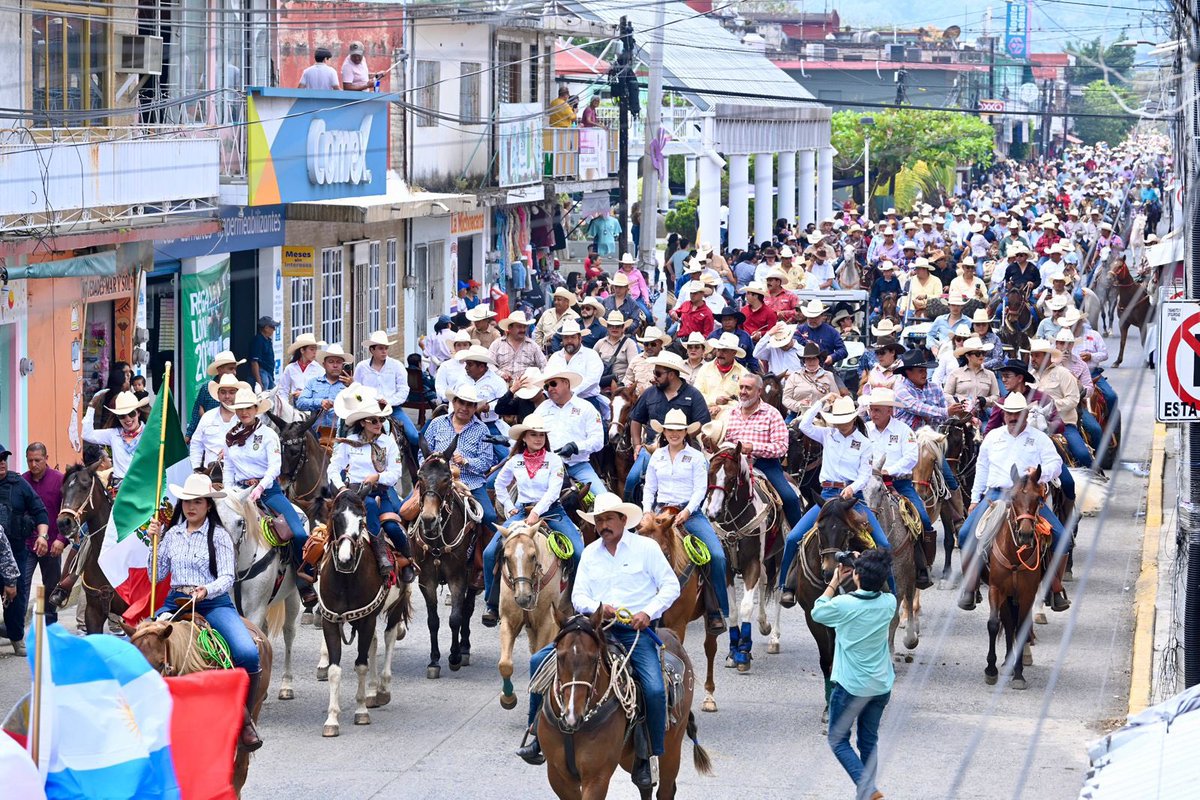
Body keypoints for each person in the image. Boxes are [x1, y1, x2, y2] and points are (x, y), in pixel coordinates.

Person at [517, 493, 678, 788]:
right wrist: (597, 608)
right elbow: (579, 597)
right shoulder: (590, 553)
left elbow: (671, 586)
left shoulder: (646, 549)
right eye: (599, 520)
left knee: (654, 689)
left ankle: (648, 755)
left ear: (623, 520)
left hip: (634, 632)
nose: (604, 525)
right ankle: (535, 736)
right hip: (595, 629)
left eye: (608, 519)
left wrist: (648, 612)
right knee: (539, 661)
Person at [146, 473, 263, 751]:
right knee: (141, 644)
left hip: (212, 603)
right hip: (176, 602)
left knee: (247, 652)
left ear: (208, 505)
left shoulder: (219, 535)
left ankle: (245, 719)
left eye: (197, 501)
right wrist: (154, 542)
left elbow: (227, 577)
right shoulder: (172, 534)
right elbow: (156, 574)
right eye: (187, 501)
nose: (191, 507)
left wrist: (205, 591)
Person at [959, 392, 1070, 612]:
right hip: (996, 495)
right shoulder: (992, 437)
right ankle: (970, 587)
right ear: (1003, 414)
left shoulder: (1039, 438)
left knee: (1061, 537)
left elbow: (1056, 464)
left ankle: (1054, 587)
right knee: (965, 535)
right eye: (1009, 413)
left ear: (1026, 414)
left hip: (1027, 497)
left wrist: (1040, 472)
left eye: (1017, 413)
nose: (1012, 417)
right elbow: (981, 469)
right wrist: (974, 499)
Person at [778, 395, 892, 605]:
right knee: (794, 537)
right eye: (837, 421)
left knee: (883, 543)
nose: (840, 425)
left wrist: (851, 488)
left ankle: (891, 592)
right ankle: (785, 585)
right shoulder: (828, 434)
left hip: (853, 499)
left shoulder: (864, 443)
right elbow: (804, 424)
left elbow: (865, 474)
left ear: (853, 419)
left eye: (844, 420)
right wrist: (821, 402)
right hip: (828, 496)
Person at [811, 548, 896, 800]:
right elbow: (887, 588)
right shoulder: (889, 604)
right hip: (880, 685)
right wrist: (869, 568)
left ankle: (868, 789)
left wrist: (835, 582)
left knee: (837, 740)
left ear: (856, 576)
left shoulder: (844, 604)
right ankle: (867, 794)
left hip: (850, 687)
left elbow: (818, 610)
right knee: (868, 741)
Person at [484, 415, 584, 625]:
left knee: (578, 551)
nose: (538, 439)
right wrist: (510, 508)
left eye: (541, 435)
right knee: (490, 552)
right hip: (522, 511)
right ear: (524, 438)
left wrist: (537, 512)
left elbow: (554, 490)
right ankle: (492, 603)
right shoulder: (515, 461)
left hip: (552, 511)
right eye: (533, 435)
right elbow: (500, 485)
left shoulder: (554, 460)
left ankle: (577, 602)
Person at [223, 387, 314, 606]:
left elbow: (275, 467)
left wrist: (260, 488)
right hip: (238, 492)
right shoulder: (231, 437)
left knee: (299, 533)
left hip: (268, 491)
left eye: (248, 408)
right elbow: (228, 468)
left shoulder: (269, 435)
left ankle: (304, 581)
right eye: (240, 409)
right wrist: (229, 493)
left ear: (256, 409)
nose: (244, 412)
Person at [643, 410, 729, 628]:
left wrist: (688, 511)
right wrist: (646, 511)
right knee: (633, 547)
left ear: (685, 432)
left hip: (689, 514)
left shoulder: (697, 457)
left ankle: (715, 608)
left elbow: (701, 489)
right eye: (670, 429)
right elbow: (650, 488)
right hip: (660, 514)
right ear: (664, 432)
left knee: (716, 555)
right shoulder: (657, 456)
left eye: (678, 430)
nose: (674, 434)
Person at [327, 387, 413, 583]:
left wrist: (377, 478)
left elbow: (394, 474)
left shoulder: (388, 443)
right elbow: (333, 469)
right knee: (327, 527)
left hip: (380, 493)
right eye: (373, 420)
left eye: (381, 420)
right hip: (351, 493)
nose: (379, 424)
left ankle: (409, 558)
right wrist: (341, 488)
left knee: (392, 526)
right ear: (362, 422)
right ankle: (314, 567)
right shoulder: (348, 443)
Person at [860, 389, 934, 588]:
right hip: (866, 484)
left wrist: (888, 471)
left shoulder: (904, 431)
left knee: (923, 518)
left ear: (889, 411)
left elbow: (911, 458)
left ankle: (922, 566)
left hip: (899, 484)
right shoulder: (864, 429)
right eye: (871, 409)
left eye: (877, 410)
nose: (872, 414)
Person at [623, 353, 711, 501]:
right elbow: (636, 419)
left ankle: (701, 512)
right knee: (631, 480)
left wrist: (680, 437)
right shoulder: (650, 393)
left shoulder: (693, 394)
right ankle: (632, 520)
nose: (654, 377)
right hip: (652, 447)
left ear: (671, 375)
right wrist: (637, 445)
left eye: (658, 373)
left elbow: (702, 422)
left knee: (706, 477)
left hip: (685, 447)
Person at [721, 374, 804, 528]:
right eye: (741, 387)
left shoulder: (772, 413)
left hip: (765, 465)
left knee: (789, 498)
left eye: (748, 388)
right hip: (733, 464)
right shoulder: (730, 413)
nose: (743, 391)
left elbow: (781, 447)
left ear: (759, 391)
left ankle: (797, 537)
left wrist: (753, 447)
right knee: (711, 491)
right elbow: (721, 440)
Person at [420, 383, 498, 537]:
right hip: (435, 482)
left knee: (490, 517)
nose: (464, 407)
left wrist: (465, 461)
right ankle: (405, 554)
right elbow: (421, 454)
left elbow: (487, 462)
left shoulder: (482, 429)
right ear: (454, 403)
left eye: (470, 404)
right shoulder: (436, 423)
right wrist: (431, 462)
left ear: (475, 408)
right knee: (404, 511)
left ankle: (487, 558)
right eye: (461, 402)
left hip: (471, 483)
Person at [1, 443, 50, 653]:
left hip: (16, 550)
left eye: (4, 458)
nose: (1, 462)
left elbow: (40, 511)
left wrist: (43, 536)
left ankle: (16, 638)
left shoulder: (18, 484)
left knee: (16, 595)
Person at [536, 367, 605, 497]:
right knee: (523, 503)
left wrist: (576, 447)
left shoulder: (586, 408)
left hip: (578, 465)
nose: (550, 389)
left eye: (553, 384)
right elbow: (529, 433)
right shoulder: (541, 409)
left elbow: (598, 441)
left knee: (604, 498)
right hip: (547, 466)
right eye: (546, 386)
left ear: (566, 383)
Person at [1029, 339, 1092, 468]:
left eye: (1037, 355)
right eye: (1032, 355)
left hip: (1064, 424)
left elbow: (1073, 399)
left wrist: (1050, 407)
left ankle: (1094, 477)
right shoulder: (1029, 377)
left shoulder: (1063, 373)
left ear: (1047, 357)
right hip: (1034, 426)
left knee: (1082, 454)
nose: (1033, 359)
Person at [21, 443, 65, 627]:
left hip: (53, 543)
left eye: (37, 460)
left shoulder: (60, 480)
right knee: (20, 583)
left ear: (46, 459)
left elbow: (68, 513)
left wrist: (62, 540)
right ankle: (15, 624)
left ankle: (49, 625)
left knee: (52, 586)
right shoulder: (22, 481)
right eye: (30, 460)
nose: (33, 464)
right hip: (27, 544)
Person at [354, 330, 419, 449]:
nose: (384, 351)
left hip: (393, 409)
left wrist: (389, 401)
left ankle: (415, 465)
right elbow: (356, 390)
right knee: (347, 433)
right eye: (380, 348)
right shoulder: (361, 367)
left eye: (386, 348)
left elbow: (404, 389)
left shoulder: (396, 366)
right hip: (367, 411)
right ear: (372, 350)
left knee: (414, 436)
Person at [454, 345, 512, 463]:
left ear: (481, 367)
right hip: (462, 423)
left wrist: (489, 407)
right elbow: (454, 399)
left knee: (505, 456)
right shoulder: (462, 379)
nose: (466, 368)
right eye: (466, 364)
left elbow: (505, 404)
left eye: (469, 364)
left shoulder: (496, 381)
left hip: (489, 425)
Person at [545, 320, 607, 424]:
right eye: (566, 337)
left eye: (572, 337)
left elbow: (592, 380)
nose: (569, 341)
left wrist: (570, 393)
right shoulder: (555, 357)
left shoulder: (591, 355)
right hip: (557, 403)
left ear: (580, 338)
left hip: (586, 400)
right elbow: (547, 378)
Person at [83, 391, 150, 481]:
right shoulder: (114, 434)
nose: (127, 419)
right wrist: (91, 407)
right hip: (120, 488)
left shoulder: (149, 433)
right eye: (122, 416)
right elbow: (87, 434)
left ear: (138, 412)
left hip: (143, 486)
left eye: (131, 413)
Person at [190, 374, 248, 470]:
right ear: (218, 394)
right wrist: (196, 470)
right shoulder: (207, 417)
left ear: (238, 394)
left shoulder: (246, 418)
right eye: (223, 392)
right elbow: (196, 444)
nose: (227, 396)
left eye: (232, 392)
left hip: (239, 474)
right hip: (210, 474)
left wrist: (231, 451)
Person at [296, 343, 354, 441]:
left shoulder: (351, 385)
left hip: (342, 435)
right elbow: (300, 403)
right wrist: (320, 402)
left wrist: (353, 386)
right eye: (331, 362)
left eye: (338, 362)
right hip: (315, 435)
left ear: (343, 365)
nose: (335, 365)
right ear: (324, 365)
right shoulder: (313, 383)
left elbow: (359, 405)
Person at [187, 350, 245, 439]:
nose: (234, 372)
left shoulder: (240, 388)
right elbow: (196, 412)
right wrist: (189, 435)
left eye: (235, 369)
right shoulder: (206, 388)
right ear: (219, 369)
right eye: (230, 368)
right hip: (210, 437)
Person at [692, 333, 748, 413]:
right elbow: (696, 394)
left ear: (734, 353)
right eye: (718, 349)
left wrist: (723, 408)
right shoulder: (705, 368)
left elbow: (746, 400)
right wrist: (715, 400)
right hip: (705, 412)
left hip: (732, 417)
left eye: (724, 350)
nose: (719, 354)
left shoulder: (743, 373)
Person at [782, 343, 838, 418]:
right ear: (804, 361)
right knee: (786, 429)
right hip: (797, 414)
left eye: (814, 358)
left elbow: (836, 397)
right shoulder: (794, 376)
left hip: (822, 415)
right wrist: (799, 405)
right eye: (808, 359)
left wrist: (825, 408)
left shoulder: (828, 376)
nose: (811, 362)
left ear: (819, 360)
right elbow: (786, 399)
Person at [490, 310, 547, 382]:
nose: (523, 330)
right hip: (501, 385)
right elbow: (489, 364)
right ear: (510, 328)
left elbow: (544, 365)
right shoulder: (497, 344)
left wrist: (537, 381)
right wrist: (500, 374)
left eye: (524, 327)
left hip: (526, 387)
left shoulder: (533, 345)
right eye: (519, 327)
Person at [795, 300, 848, 368]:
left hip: (825, 367)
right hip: (803, 367)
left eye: (816, 317)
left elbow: (843, 350)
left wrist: (832, 357)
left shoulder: (831, 331)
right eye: (810, 317)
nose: (813, 320)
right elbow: (794, 340)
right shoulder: (799, 330)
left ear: (822, 316)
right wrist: (806, 343)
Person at [592, 311, 639, 385]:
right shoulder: (600, 343)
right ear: (607, 327)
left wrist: (624, 384)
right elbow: (591, 363)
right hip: (601, 383)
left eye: (618, 326)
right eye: (611, 326)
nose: (614, 328)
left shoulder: (630, 344)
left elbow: (633, 367)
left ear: (623, 327)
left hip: (621, 383)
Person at [278, 333, 323, 404]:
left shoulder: (319, 369)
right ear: (302, 350)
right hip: (295, 406)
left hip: (313, 406)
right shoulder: (290, 368)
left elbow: (322, 390)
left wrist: (304, 394)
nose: (314, 352)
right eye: (311, 349)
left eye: (315, 349)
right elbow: (283, 390)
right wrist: (285, 406)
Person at [625, 326, 671, 394]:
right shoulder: (636, 360)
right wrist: (629, 385)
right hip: (638, 400)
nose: (649, 347)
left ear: (660, 344)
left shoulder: (668, 360)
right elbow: (628, 379)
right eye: (646, 344)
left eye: (653, 344)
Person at [249, 316, 279, 391]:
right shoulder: (258, 341)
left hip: (268, 373)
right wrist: (259, 382)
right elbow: (254, 362)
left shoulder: (268, 340)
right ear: (266, 328)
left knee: (273, 394)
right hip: (262, 373)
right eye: (272, 327)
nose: (274, 329)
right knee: (263, 397)